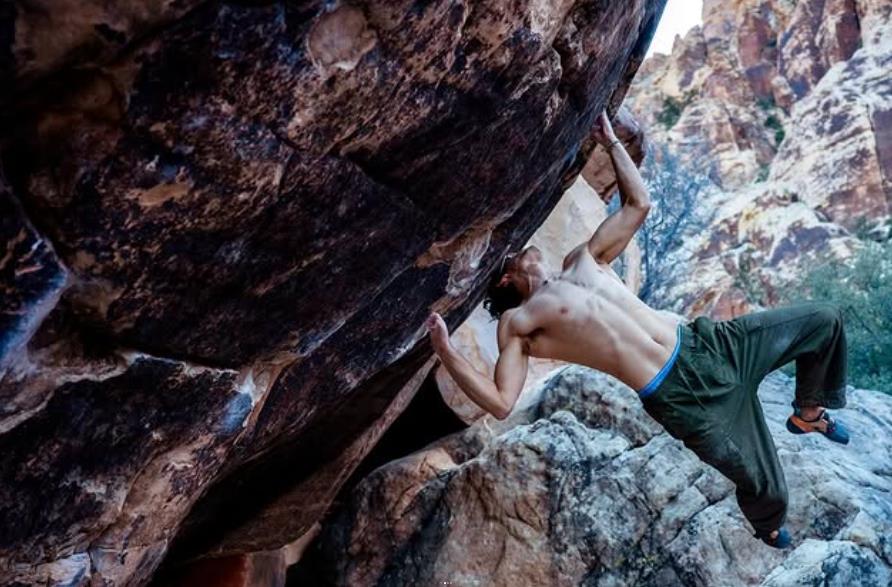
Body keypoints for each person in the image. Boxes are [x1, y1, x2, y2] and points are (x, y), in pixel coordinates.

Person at [425, 110, 850, 549]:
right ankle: (768, 524)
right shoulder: (520, 323)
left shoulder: (584, 258)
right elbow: (499, 402)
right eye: (511, 255)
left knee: (825, 320)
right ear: (503, 280)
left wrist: (612, 143)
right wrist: (445, 348)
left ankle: (808, 414)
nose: (520, 248)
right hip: (685, 398)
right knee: (769, 492)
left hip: (710, 345)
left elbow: (638, 204)